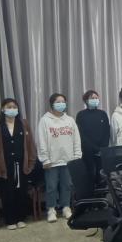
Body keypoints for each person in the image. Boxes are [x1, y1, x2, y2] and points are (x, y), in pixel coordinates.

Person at [0, 99, 37, 230]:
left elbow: (30, 144)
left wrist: (31, 162)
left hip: (22, 164)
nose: (12, 109)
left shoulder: (23, 123)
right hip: (5, 166)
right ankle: (10, 220)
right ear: (3, 109)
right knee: (7, 193)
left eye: (14, 107)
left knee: (21, 192)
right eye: (9, 107)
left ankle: (21, 218)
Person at [38, 93, 81, 223]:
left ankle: (66, 207)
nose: (61, 104)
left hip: (68, 159)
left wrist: (77, 156)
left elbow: (76, 139)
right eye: (58, 102)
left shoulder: (70, 120)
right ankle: (51, 209)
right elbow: (41, 140)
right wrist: (45, 159)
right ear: (52, 104)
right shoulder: (45, 120)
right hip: (52, 161)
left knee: (67, 185)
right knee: (51, 186)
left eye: (63, 101)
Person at [76, 90, 110, 186]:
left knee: (102, 175)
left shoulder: (102, 114)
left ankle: (103, 193)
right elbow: (81, 134)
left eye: (96, 98)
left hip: (102, 150)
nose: (95, 100)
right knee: (89, 173)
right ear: (86, 100)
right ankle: (90, 193)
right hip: (87, 150)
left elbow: (107, 132)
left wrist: (102, 148)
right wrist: (94, 148)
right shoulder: (81, 115)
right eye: (92, 98)